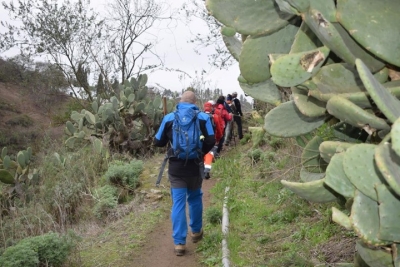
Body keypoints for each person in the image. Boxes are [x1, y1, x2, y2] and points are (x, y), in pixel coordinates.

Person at [154, 91, 215, 256]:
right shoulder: (203, 117)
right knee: (195, 197)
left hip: (176, 169)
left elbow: (158, 142)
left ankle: (179, 243)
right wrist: (200, 152)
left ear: (180, 101)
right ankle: (195, 232)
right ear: (195, 102)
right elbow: (211, 140)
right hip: (195, 167)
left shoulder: (169, 118)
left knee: (178, 203)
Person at [203, 100, 224, 179]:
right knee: (210, 154)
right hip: (212, 139)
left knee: (203, 153)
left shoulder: (199, 116)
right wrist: (218, 138)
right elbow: (219, 129)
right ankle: (207, 171)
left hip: (201, 139)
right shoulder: (215, 116)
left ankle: (202, 170)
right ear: (211, 108)